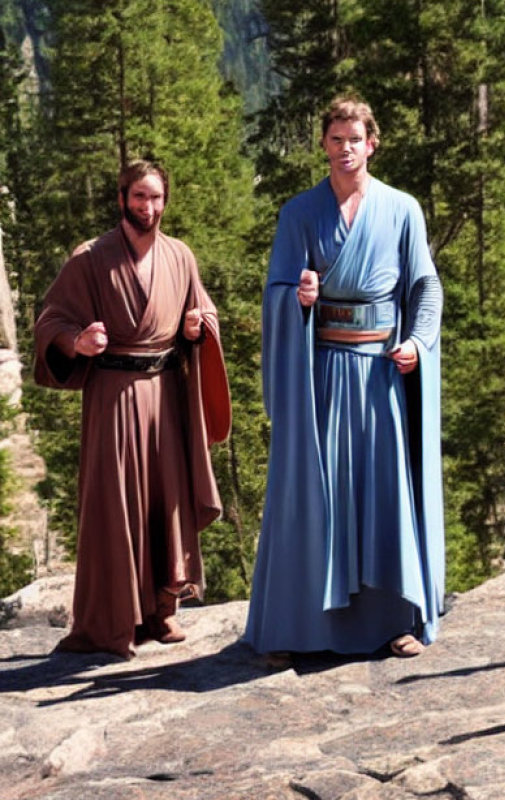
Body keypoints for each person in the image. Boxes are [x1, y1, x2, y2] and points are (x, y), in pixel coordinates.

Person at [243, 96, 444, 659]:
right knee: (314, 497)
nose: (345, 147)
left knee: (384, 496)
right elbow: (278, 291)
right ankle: (296, 628)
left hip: (381, 376)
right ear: (324, 144)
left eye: (355, 138)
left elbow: (425, 286)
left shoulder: (402, 209)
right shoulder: (299, 212)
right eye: (336, 139)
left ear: (371, 143)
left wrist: (418, 342)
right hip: (325, 379)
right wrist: (299, 298)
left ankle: (397, 620)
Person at [34, 159, 231, 659]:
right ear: (122, 198)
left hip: (166, 395)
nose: (148, 206)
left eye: (156, 197)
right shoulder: (90, 258)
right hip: (114, 398)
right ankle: (111, 622)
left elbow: (203, 310)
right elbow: (50, 319)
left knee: (167, 502)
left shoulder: (180, 256)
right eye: (139, 197)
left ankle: (162, 612)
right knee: (115, 506)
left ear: (166, 200)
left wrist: (196, 328)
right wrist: (77, 341)